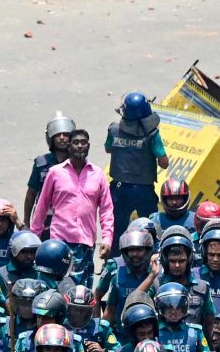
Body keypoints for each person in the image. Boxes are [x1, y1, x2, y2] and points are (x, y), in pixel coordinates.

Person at [29, 126, 114, 281]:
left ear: (88, 146)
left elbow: (107, 210)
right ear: (69, 146)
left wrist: (107, 239)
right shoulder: (55, 172)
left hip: (85, 244)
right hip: (59, 242)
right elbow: (42, 206)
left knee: (82, 294)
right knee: (56, 289)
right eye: (76, 142)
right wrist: (34, 238)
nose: (80, 146)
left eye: (83, 142)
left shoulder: (98, 174)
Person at [105, 93, 169, 237]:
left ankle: (114, 257)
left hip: (119, 189)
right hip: (143, 190)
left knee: (117, 229)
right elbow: (164, 163)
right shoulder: (152, 134)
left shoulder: (114, 130)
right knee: (150, 228)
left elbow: (108, 148)